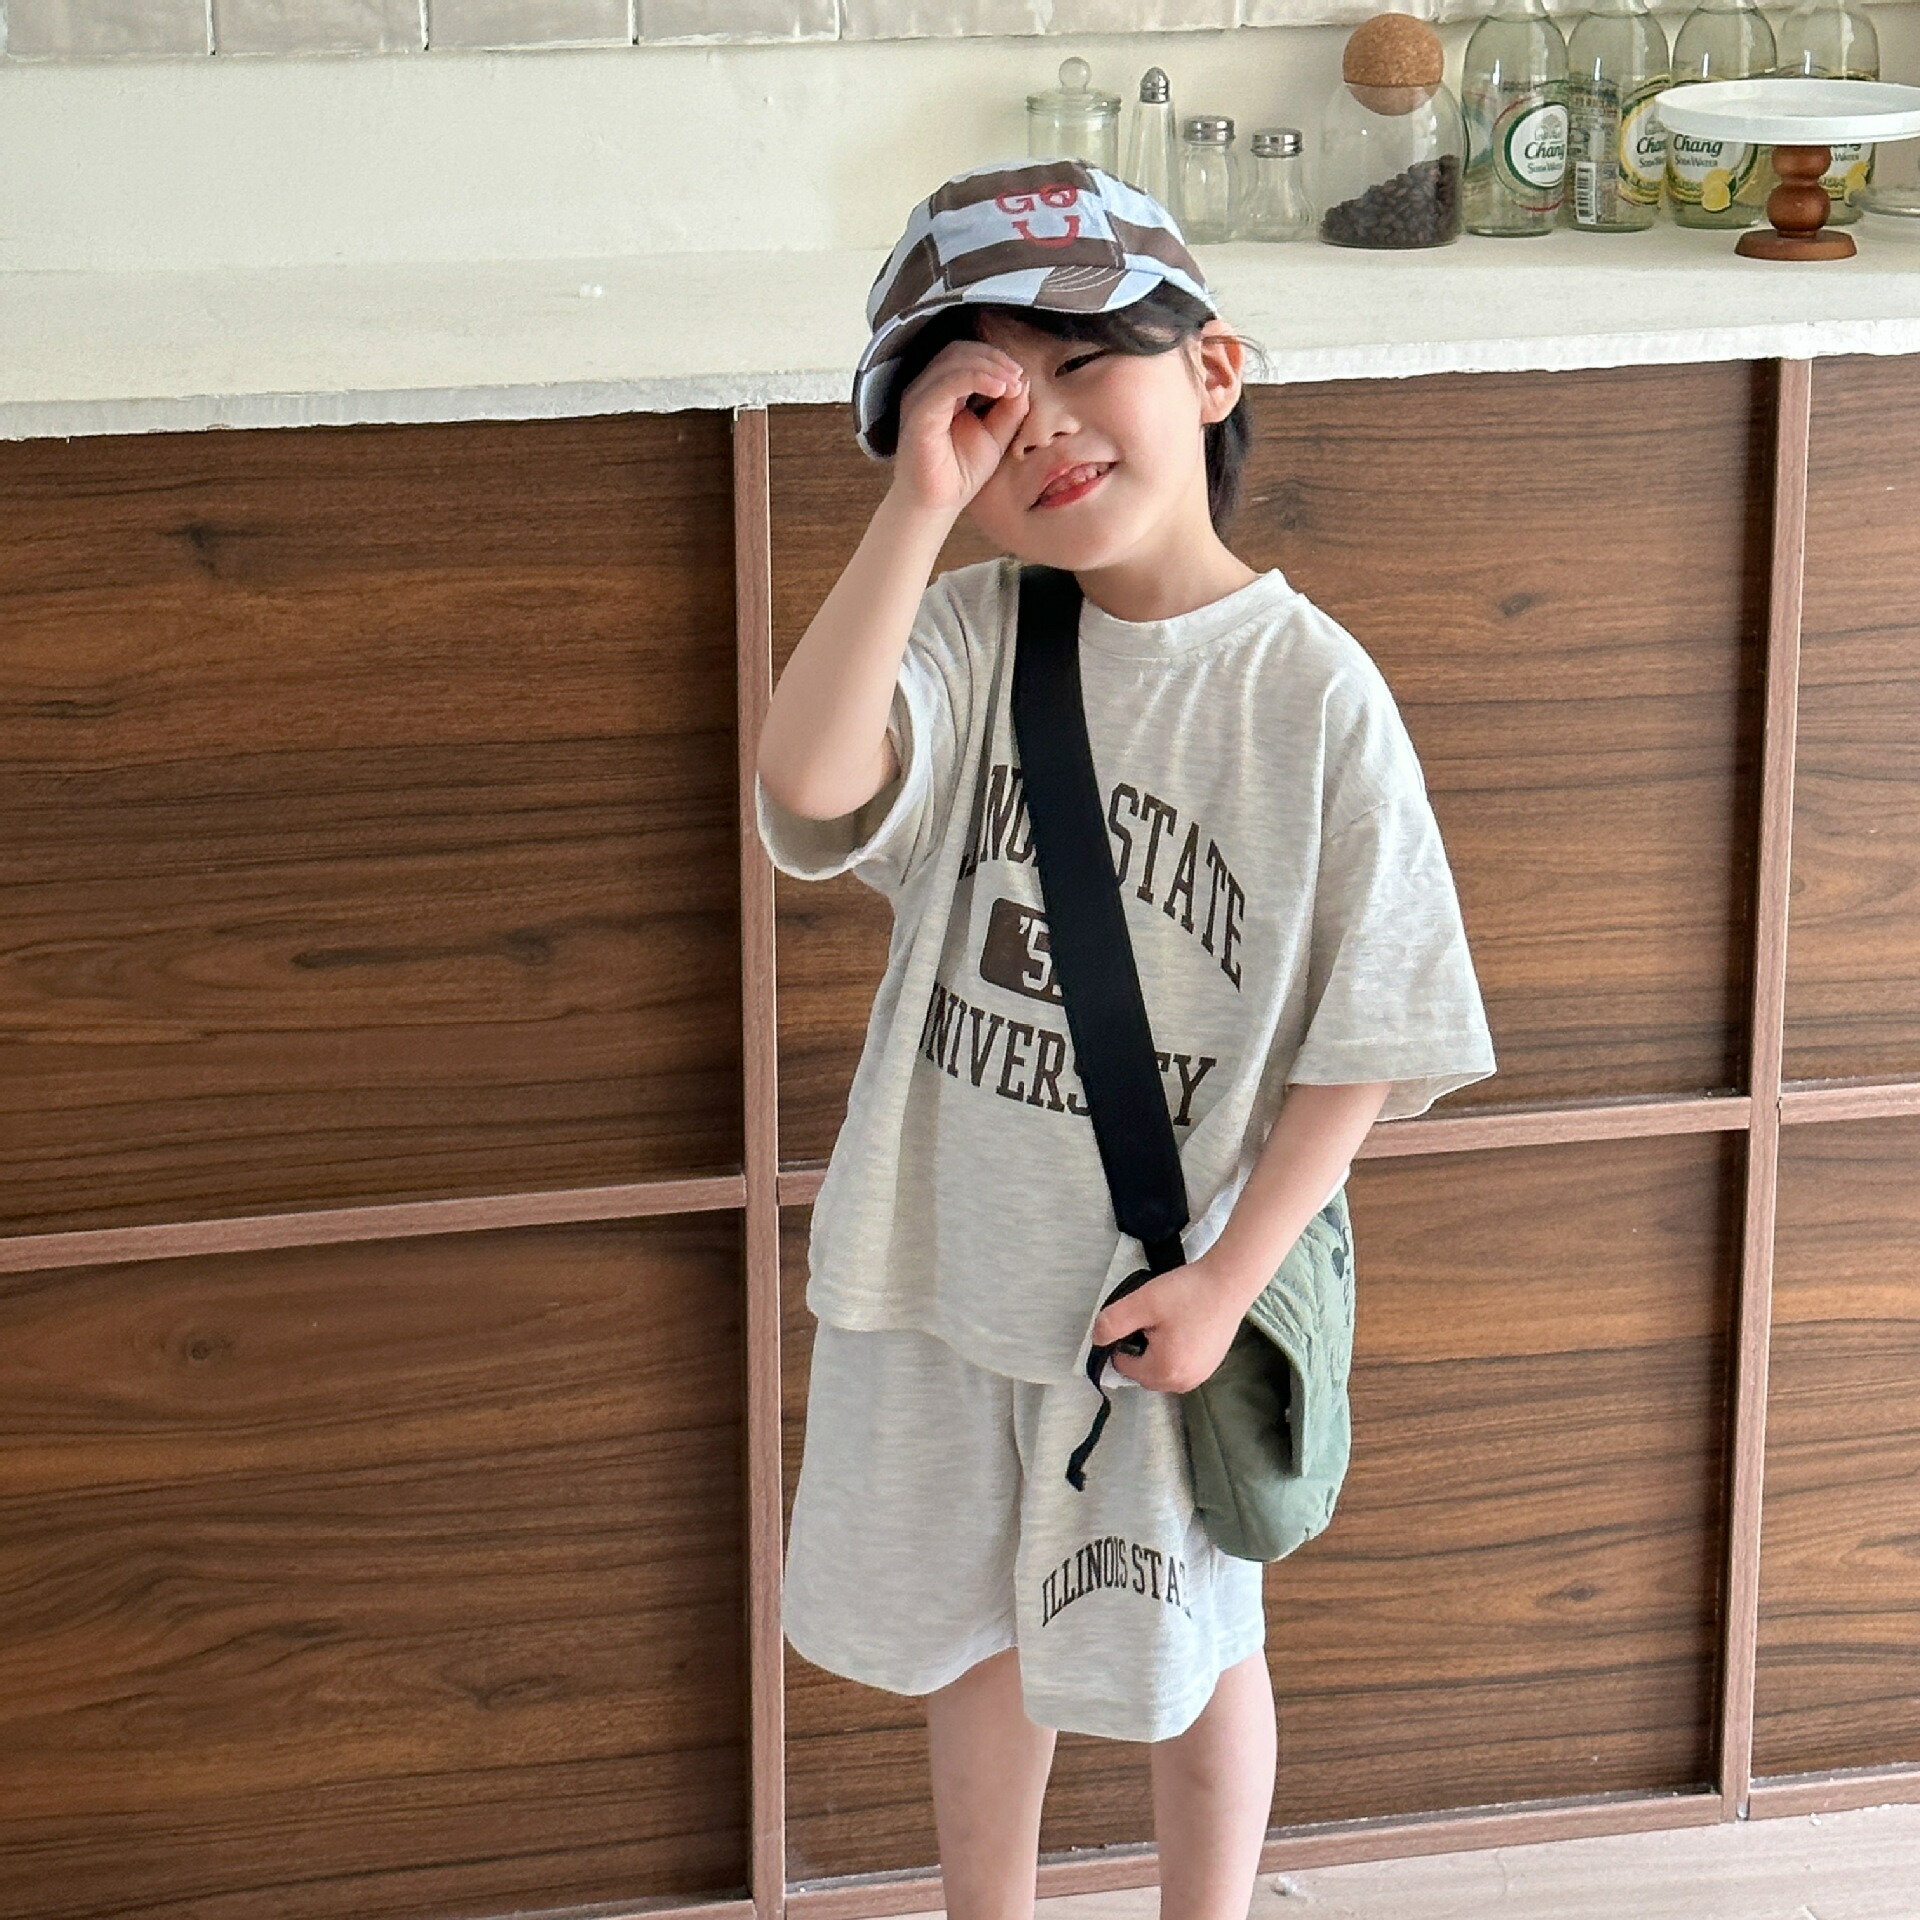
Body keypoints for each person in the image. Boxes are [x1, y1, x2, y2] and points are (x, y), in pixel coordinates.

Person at [753, 159, 1496, 1920]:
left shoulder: (1311, 694)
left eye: (1084, 362)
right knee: (978, 1640)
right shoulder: (973, 632)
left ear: (1213, 369)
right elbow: (810, 781)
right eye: (984, 402)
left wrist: (1231, 1278)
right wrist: (917, 510)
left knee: (1196, 1650)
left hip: (1153, 1284)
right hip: (946, 1267)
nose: (1043, 428)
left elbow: (1373, 1028)